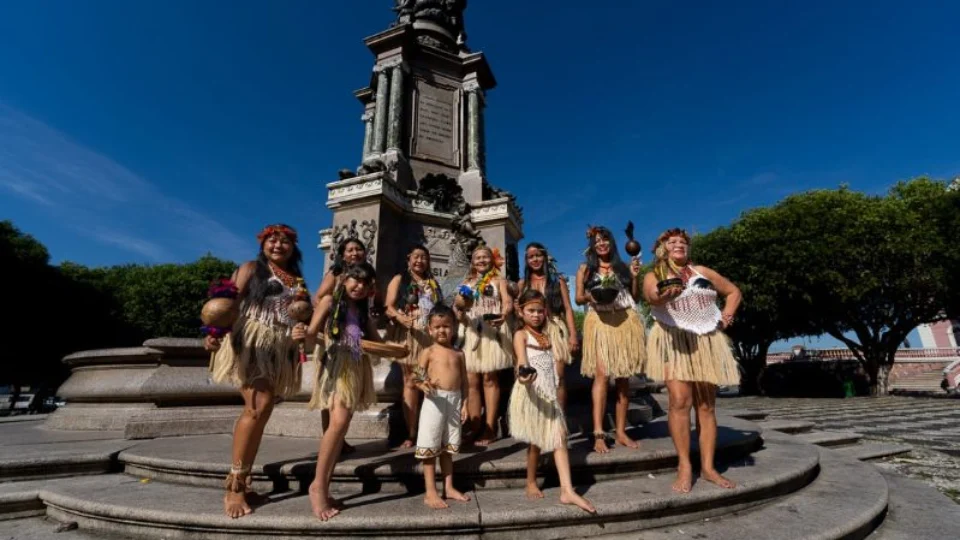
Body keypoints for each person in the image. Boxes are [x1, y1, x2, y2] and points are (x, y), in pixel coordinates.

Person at [205, 223, 309, 519]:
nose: (278, 246)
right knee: (256, 407)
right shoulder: (251, 268)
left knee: (262, 412)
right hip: (251, 341)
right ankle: (235, 486)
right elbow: (228, 302)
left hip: (278, 347)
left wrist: (302, 331)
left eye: (285, 242)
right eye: (272, 241)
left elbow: (300, 316)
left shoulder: (298, 280)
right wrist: (214, 331)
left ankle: (245, 477)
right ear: (263, 245)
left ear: (294, 247)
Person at [643, 228, 741, 494]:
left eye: (683, 242)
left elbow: (733, 292)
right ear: (662, 248)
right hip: (674, 339)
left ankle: (708, 468)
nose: (679, 245)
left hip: (706, 339)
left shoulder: (703, 272)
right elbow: (651, 296)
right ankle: (685, 465)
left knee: (706, 406)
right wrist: (665, 294)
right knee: (679, 401)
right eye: (672, 242)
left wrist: (726, 317)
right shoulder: (656, 274)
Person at [304, 262, 381, 521]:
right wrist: (303, 335)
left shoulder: (362, 312)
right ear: (344, 280)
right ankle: (317, 486)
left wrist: (403, 350)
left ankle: (323, 483)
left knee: (342, 426)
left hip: (356, 368)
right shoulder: (328, 302)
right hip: (336, 366)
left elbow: (378, 344)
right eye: (354, 280)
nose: (358, 286)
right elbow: (311, 335)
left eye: (365, 283)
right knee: (337, 425)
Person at [508, 289, 595, 513]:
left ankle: (567, 490)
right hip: (532, 392)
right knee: (535, 442)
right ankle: (530, 481)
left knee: (559, 437)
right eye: (531, 311)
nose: (536, 315)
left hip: (549, 392)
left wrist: (556, 384)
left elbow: (555, 363)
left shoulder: (548, 334)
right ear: (521, 312)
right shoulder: (521, 335)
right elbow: (521, 362)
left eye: (539, 311)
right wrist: (525, 376)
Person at [575, 226, 646, 453]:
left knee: (624, 379)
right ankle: (598, 433)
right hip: (600, 321)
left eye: (605, 239)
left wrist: (634, 277)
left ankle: (622, 431)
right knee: (602, 375)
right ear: (592, 245)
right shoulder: (586, 269)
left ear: (611, 242)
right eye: (597, 241)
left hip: (625, 320)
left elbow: (635, 296)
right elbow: (578, 298)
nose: (601, 244)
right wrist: (594, 293)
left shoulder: (623, 267)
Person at [314, 237, 372, 454]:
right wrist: (329, 320)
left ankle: (339, 437)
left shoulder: (365, 277)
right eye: (350, 250)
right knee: (330, 394)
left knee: (349, 394)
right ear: (342, 254)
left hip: (355, 337)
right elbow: (319, 297)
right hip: (335, 339)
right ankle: (329, 436)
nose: (354, 253)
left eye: (358, 249)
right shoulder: (335, 274)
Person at [412, 305, 472, 509]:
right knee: (430, 447)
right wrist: (423, 385)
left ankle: (449, 486)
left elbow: (464, 381)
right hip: (434, 401)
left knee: (448, 447)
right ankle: (430, 491)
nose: (442, 330)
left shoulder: (459, 354)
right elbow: (416, 376)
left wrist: (465, 404)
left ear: (454, 328)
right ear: (429, 329)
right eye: (437, 327)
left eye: (446, 326)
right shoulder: (428, 352)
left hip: (454, 401)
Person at [385, 245, 442, 448]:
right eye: (416, 257)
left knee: (430, 382)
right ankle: (411, 433)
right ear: (409, 258)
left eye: (424, 258)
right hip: (409, 336)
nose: (420, 261)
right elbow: (389, 306)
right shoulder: (399, 279)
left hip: (429, 338)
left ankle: (431, 429)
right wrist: (401, 317)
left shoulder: (433, 284)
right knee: (410, 382)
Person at [456, 244, 514, 446]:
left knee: (490, 377)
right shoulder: (466, 282)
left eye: (485, 257)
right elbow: (458, 306)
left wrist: (504, 314)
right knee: (471, 380)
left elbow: (507, 302)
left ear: (492, 260)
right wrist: (460, 310)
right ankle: (474, 426)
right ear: (472, 262)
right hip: (472, 330)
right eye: (477, 257)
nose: (481, 260)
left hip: (491, 330)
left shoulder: (499, 281)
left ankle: (490, 427)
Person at [517, 242, 579, 407]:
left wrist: (573, 335)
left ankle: (559, 420)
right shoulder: (523, 284)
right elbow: (519, 309)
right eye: (531, 257)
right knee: (537, 375)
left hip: (555, 327)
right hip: (532, 331)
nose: (535, 259)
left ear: (544, 257)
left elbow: (567, 308)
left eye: (538, 255)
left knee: (558, 376)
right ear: (526, 260)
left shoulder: (557, 281)